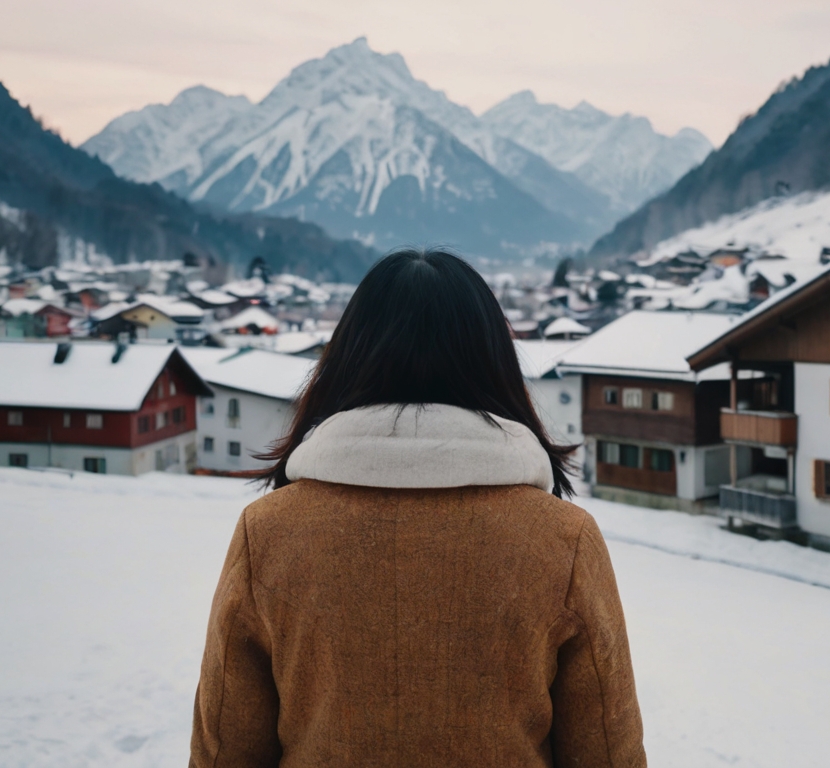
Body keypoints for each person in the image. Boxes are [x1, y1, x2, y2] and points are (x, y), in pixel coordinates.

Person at [190, 249, 645, 767]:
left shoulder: (268, 533)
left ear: (346, 359)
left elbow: (224, 751)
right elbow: (609, 751)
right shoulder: (564, 539)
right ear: (495, 364)